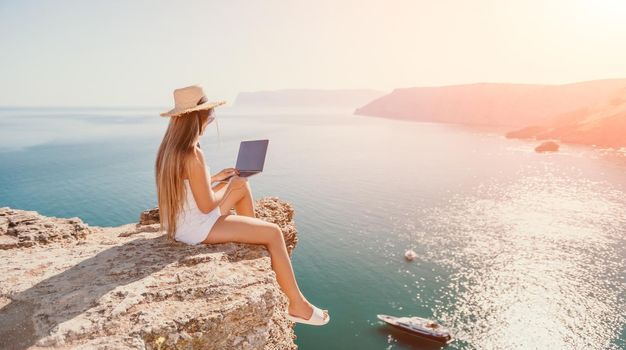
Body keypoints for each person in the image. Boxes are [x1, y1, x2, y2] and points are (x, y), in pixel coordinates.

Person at [154, 85, 329, 326]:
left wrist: (215, 179)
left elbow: (186, 188)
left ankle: (251, 231)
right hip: (196, 228)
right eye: (210, 115)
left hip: (181, 223)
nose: (211, 120)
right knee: (273, 232)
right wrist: (231, 184)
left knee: (241, 187)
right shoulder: (193, 153)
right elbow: (206, 206)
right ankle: (297, 305)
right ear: (198, 117)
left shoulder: (169, 150)